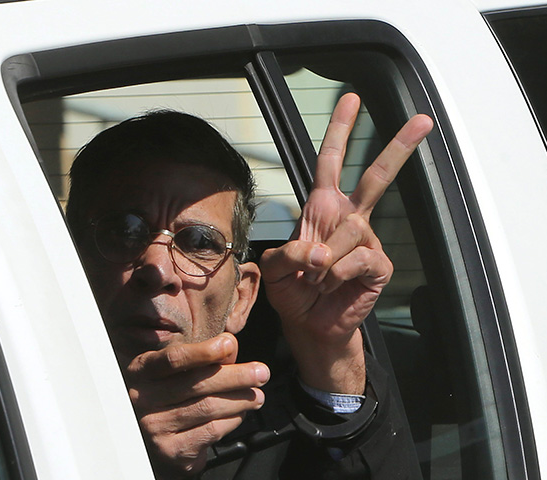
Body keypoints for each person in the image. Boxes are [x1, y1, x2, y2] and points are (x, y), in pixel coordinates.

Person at [66, 92, 433, 479]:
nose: (158, 269)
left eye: (199, 242)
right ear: (68, 256)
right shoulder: (18, 408)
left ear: (242, 298)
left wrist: (331, 355)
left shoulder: (268, 440)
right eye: (125, 231)